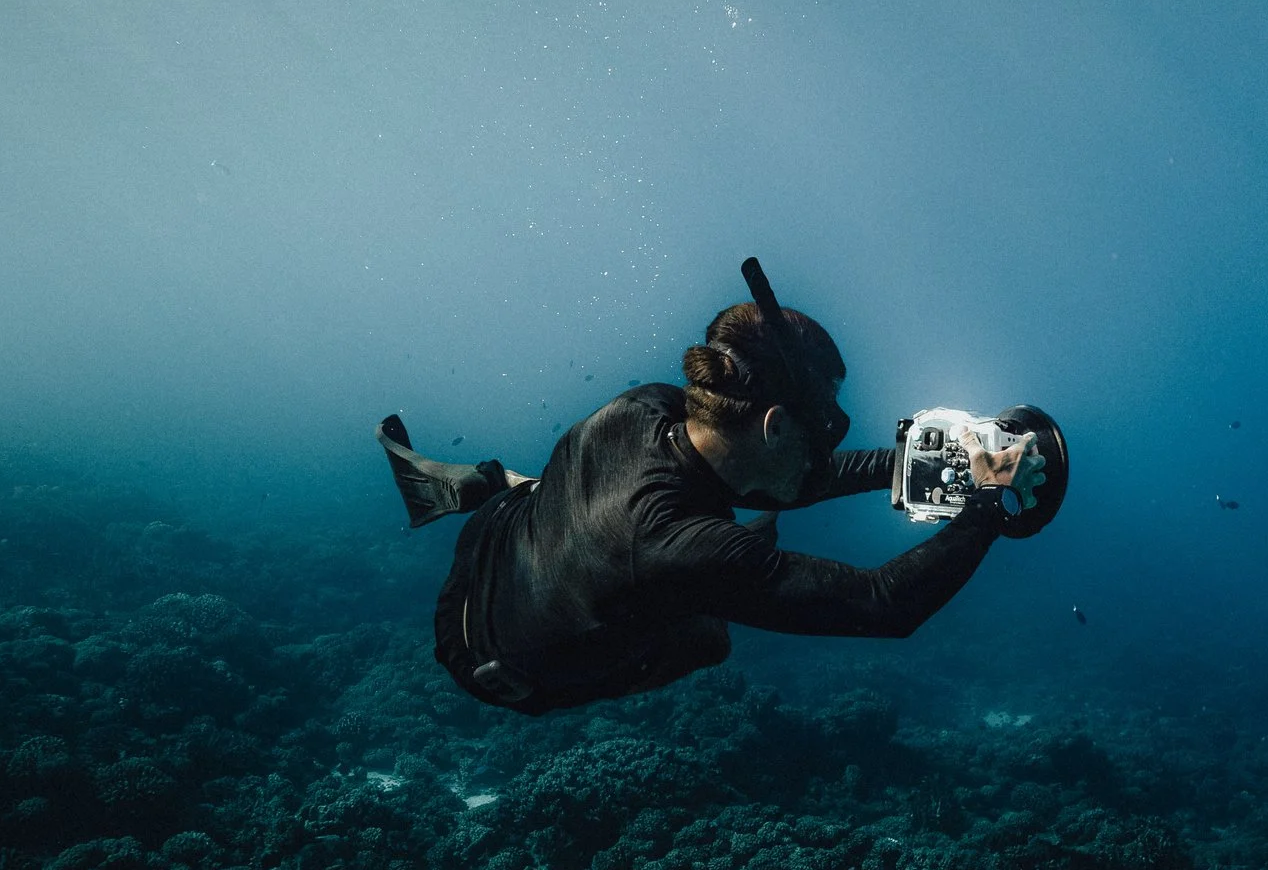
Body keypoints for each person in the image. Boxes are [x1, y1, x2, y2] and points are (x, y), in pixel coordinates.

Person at [377, 285, 1044, 714]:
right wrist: (986, 505)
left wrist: (940, 466)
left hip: (500, 534)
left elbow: (786, 476)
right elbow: (884, 605)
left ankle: (478, 483)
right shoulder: (683, 547)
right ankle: (493, 489)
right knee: (710, 636)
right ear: (774, 424)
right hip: (490, 663)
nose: (831, 441)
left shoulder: (646, 406)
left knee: (559, 496)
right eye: (829, 426)